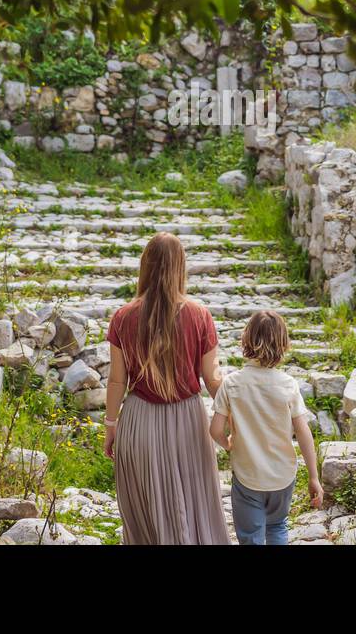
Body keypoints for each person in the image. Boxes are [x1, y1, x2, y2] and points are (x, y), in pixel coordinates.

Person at [102, 231, 229, 544]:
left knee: (145, 518)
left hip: (138, 422)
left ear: (145, 266)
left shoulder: (122, 318)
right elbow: (212, 379)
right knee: (193, 508)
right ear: (181, 267)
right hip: (187, 421)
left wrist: (110, 425)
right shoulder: (200, 316)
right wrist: (238, 416)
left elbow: (117, 380)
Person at [208, 309, 322, 545]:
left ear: (246, 339)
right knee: (278, 526)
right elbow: (303, 433)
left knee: (251, 536)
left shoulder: (231, 384)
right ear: (283, 344)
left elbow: (215, 430)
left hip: (248, 475)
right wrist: (313, 476)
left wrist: (228, 444)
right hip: (282, 476)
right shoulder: (288, 385)